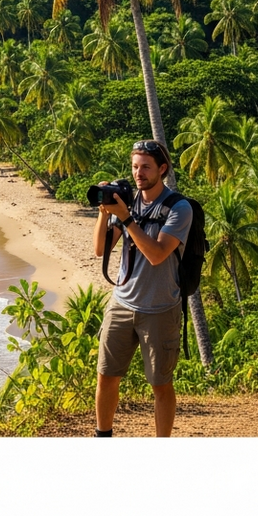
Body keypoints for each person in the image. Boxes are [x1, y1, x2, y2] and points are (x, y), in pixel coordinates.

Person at [92, 139, 192, 437]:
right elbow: (100, 249)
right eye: (135, 167)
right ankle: (103, 436)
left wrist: (125, 218)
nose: (139, 174)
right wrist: (104, 213)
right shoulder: (130, 201)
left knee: (160, 384)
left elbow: (157, 254)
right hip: (122, 303)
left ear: (162, 169)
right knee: (106, 376)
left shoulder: (178, 208)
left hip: (160, 308)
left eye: (146, 167)